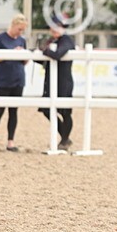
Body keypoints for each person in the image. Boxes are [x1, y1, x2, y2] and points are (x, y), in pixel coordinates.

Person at [0, 14, 28, 152]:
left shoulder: (22, 40)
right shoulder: (0, 39)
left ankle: (11, 141)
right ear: (13, 25)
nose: (20, 32)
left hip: (18, 78)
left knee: (14, 111)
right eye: (19, 29)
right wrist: (10, 53)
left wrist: (24, 56)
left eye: (23, 30)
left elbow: (25, 61)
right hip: (3, 79)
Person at [36, 17, 76, 150]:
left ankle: (64, 139)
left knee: (65, 112)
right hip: (51, 81)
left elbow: (57, 54)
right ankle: (65, 138)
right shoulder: (53, 41)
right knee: (47, 109)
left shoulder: (66, 40)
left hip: (62, 81)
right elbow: (47, 59)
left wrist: (44, 50)